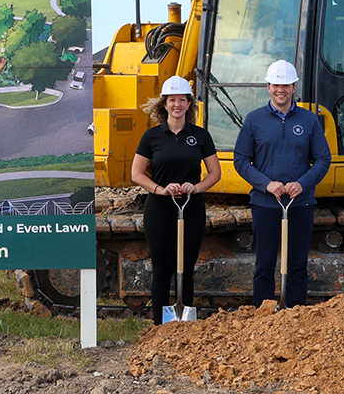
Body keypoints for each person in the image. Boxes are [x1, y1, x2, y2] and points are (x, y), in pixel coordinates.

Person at [233, 59, 330, 308]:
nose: (281, 90)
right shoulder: (254, 121)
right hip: (265, 204)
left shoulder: (309, 121)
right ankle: (263, 315)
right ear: (268, 87)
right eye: (276, 85)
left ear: (294, 87)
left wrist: (302, 184)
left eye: (286, 85)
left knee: (298, 263)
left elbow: (322, 159)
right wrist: (266, 185)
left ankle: (294, 314)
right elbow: (241, 160)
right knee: (264, 263)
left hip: (301, 203)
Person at [131, 75, 221, 324]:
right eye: (172, 100)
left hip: (191, 207)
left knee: (186, 269)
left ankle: (185, 324)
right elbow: (136, 174)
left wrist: (196, 187)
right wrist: (160, 189)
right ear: (164, 104)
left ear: (189, 104)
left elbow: (215, 173)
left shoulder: (200, 136)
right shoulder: (152, 137)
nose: (177, 104)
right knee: (162, 269)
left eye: (182, 100)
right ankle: (160, 324)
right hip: (160, 208)